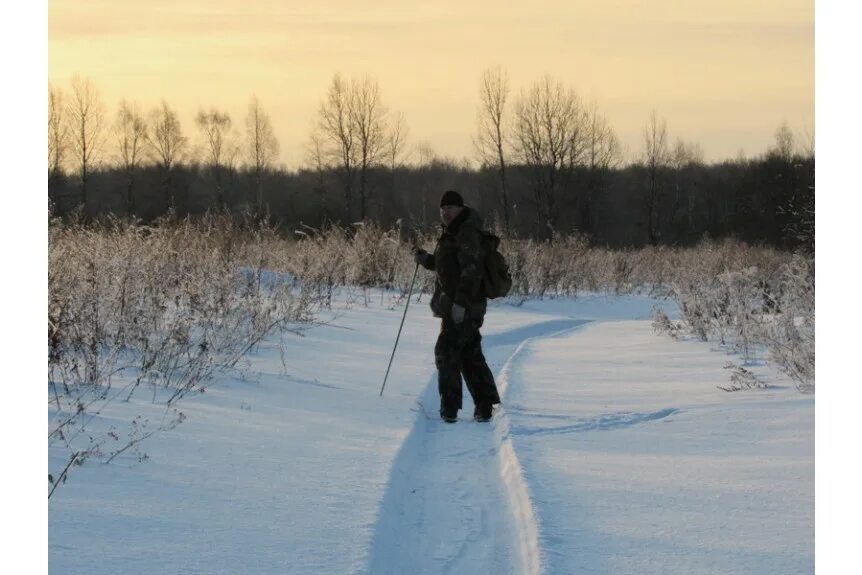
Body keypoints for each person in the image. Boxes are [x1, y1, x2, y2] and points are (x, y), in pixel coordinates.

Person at [413, 190, 502, 423]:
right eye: (442, 209)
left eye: (450, 209)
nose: (445, 213)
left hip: (464, 307)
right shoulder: (453, 233)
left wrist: (460, 304)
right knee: (469, 354)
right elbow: (449, 268)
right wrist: (427, 260)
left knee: (446, 352)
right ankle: (484, 406)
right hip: (456, 306)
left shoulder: (467, 233)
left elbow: (472, 271)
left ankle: (450, 409)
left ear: (460, 209)